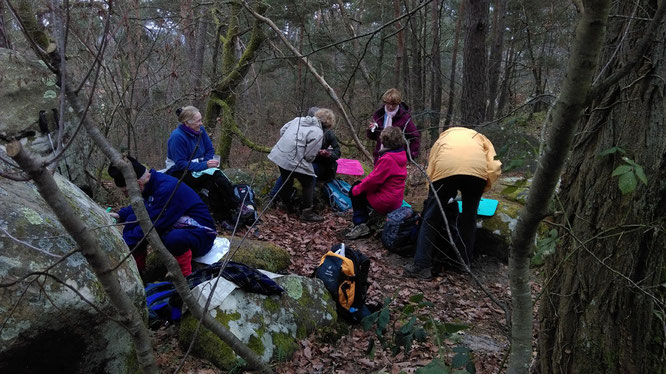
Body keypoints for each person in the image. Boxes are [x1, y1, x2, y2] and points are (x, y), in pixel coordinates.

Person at [404, 127, 502, 279]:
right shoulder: (481, 138)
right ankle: (463, 264)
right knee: (469, 219)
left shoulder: (443, 138)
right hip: (477, 173)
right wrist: (484, 186)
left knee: (430, 218)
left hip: (446, 169)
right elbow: (494, 165)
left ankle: (422, 265)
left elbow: (432, 164)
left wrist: (432, 194)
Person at [108, 156, 216, 277]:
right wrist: (120, 215)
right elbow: (141, 205)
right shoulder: (151, 184)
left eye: (126, 191)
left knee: (174, 238)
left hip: (201, 234)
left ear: (138, 184)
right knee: (132, 220)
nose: (127, 196)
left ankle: (185, 278)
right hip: (175, 225)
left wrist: (123, 245)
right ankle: (139, 272)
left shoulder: (166, 189)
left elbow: (151, 225)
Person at [165, 106, 238, 225]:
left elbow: (210, 150)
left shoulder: (201, 131)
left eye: (201, 120)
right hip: (179, 172)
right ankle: (228, 212)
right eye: (198, 121)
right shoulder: (177, 137)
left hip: (199, 167)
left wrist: (207, 163)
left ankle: (231, 211)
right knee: (214, 179)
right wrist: (204, 165)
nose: (201, 123)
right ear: (187, 123)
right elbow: (180, 164)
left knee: (217, 180)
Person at [268, 108, 336, 222]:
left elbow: (282, 130)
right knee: (309, 181)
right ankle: (307, 213)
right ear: (327, 123)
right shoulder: (318, 132)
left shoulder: (298, 120)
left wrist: (291, 143)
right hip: (293, 159)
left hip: (280, 154)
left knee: (286, 178)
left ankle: (285, 204)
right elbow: (309, 156)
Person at [346, 127, 407, 240]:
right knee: (361, 186)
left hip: (386, 201)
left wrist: (357, 189)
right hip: (396, 199)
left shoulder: (388, 159)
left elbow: (373, 180)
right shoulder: (401, 154)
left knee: (356, 190)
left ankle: (360, 224)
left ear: (384, 141)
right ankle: (368, 217)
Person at [367, 88, 420, 165]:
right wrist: (371, 129)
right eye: (388, 103)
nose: (391, 107)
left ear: (398, 103)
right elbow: (373, 137)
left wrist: (410, 155)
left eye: (394, 104)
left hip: (397, 159)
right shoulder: (379, 115)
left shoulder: (404, 117)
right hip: (379, 156)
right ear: (385, 102)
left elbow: (415, 137)